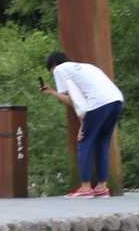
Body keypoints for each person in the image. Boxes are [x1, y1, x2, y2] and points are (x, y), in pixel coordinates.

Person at [39, 51, 124, 198]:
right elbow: (81, 97)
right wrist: (52, 92)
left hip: (98, 103)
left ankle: (85, 187)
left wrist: (82, 125)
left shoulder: (59, 69)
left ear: (53, 65)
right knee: (102, 142)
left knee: (84, 141)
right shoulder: (87, 67)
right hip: (116, 101)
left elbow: (74, 100)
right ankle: (102, 187)